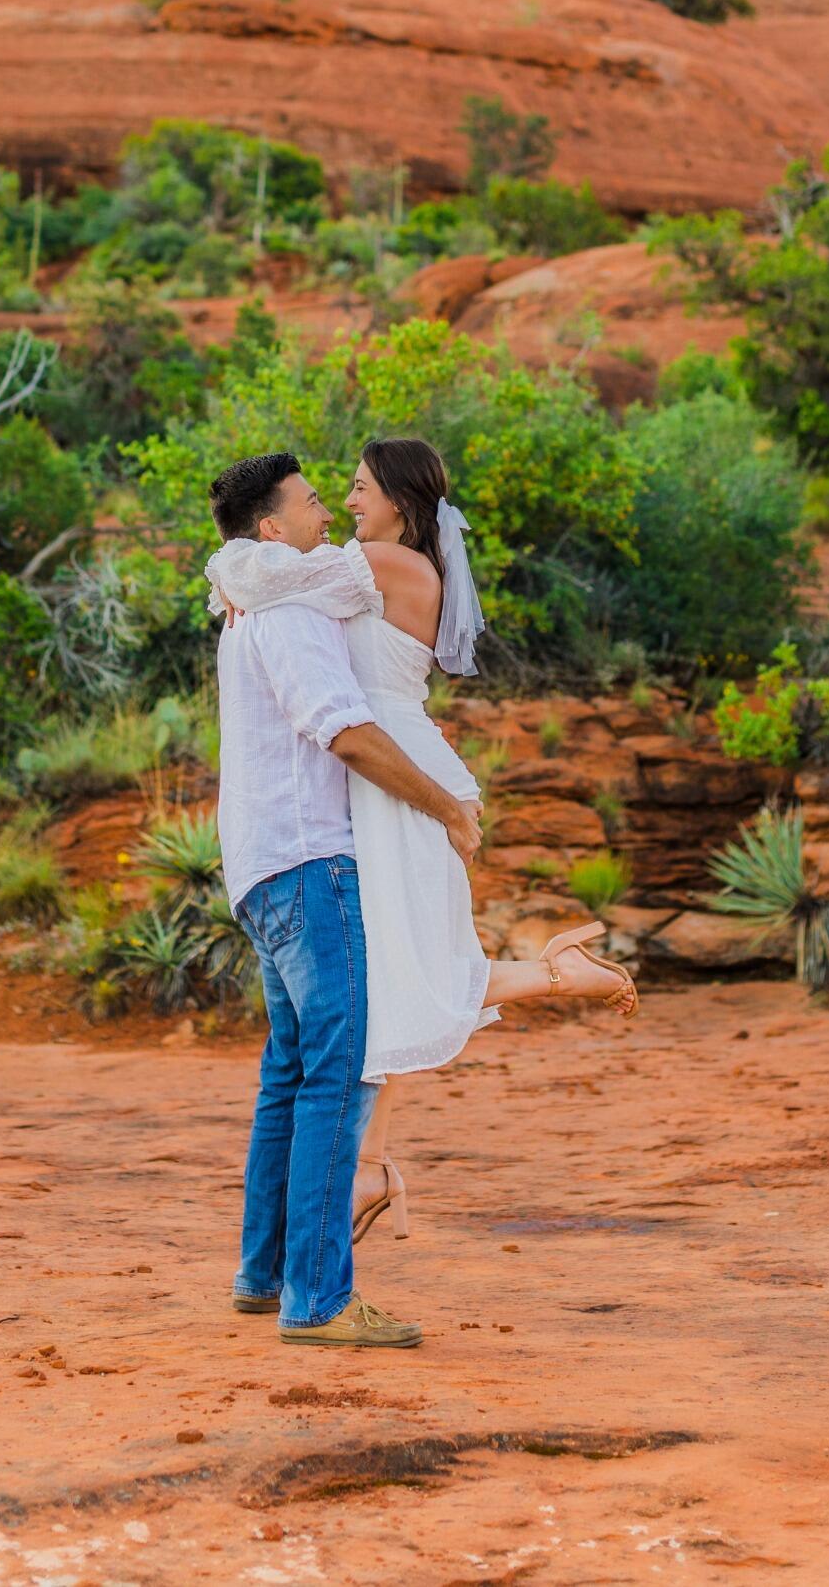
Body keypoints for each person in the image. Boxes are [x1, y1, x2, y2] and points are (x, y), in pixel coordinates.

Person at [208, 436, 637, 1251]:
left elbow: (261, 570)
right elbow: (267, 573)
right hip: (384, 777)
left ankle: (552, 982)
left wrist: (232, 579)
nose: (347, 502)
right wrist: (243, 581)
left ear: (401, 502)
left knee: (400, 974)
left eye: (362, 488)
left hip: (398, 777)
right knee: (392, 975)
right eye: (340, 491)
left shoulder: (385, 565)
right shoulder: (363, 564)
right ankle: (373, 1163)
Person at [209, 449, 481, 1351]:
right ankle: (319, 1301)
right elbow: (347, 734)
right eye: (315, 500)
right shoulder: (289, 608)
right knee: (337, 1070)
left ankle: (264, 1274)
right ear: (272, 529)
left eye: (345, 492)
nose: (330, 508)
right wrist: (444, 806)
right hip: (312, 859)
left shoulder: (269, 600)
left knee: (289, 1071)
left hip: (260, 862)